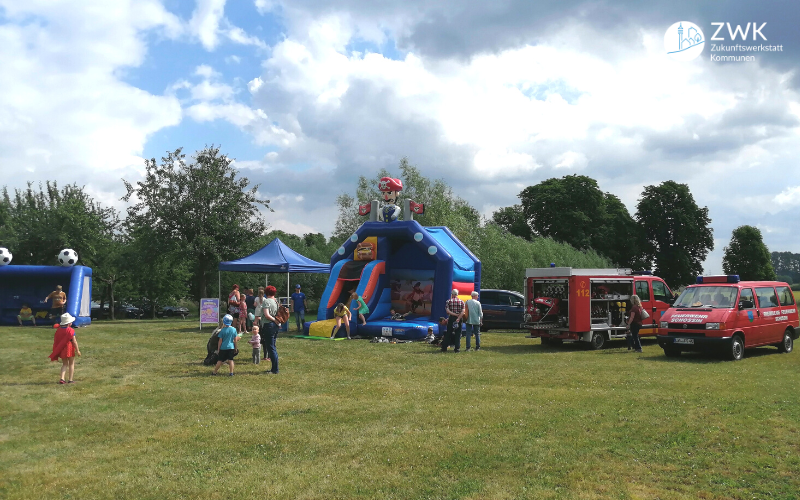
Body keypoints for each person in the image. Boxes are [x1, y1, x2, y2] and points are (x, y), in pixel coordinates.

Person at [49, 313, 81, 384]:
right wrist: (77, 350)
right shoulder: (71, 330)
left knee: (64, 364)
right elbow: (74, 341)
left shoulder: (58, 330)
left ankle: (62, 378)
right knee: (71, 363)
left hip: (62, 348)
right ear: (69, 323)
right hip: (69, 348)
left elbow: (57, 340)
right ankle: (70, 379)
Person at [259, 285, 282, 374]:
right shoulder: (276, 301)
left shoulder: (266, 301)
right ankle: (274, 368)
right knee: (273, 347)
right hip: (275, 326)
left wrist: (275, 320)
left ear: (266, 292)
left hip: (269, 325)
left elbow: (267, 315)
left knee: (271, 348)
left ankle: (275, 369)